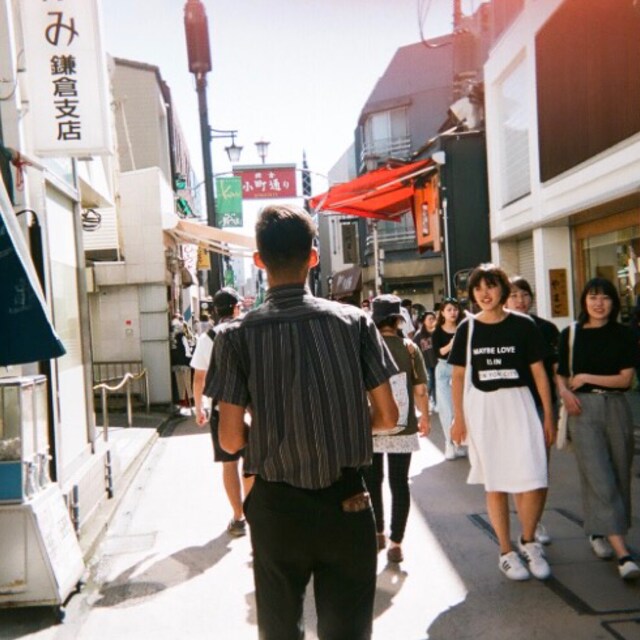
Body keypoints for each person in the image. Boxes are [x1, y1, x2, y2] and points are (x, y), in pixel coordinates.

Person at [209, 204, 399, 640]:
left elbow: (231, 438)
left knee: (279, 630)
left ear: (259, 260)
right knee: (348, 631)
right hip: (347, 501)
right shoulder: (355, 323)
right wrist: (343, 428)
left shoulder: (235, 336)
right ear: (313, 256)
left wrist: (277, 433)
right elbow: (389, 416)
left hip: (276, 507)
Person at [450, 264, 555, 582]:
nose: (485, 293)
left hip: (519, 403)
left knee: (533, 477)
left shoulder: (523, 325)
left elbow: (539, 372)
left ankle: (529, 540)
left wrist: (549, 415)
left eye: (491, 286)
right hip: (484, 407)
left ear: (503, 289)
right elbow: (458, 376)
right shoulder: (467, 328)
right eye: (478, 288)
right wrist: (458, 418)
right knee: (494, 482)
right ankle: (506, 553)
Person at [556, 277, 639, 580]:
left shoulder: (624, 334)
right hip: (582, 410)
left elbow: (625, 379)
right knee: (599, 476)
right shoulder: (571, 334)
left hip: (616, 407)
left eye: (605, 297)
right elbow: (561, 374)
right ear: (584, 301)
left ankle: (599, 531)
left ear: (614, 302)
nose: (598, 303)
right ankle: (623, 554)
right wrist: (565, 393)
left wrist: (588, 377)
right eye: (592, 297)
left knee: (618, 473)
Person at [364, 295, 430, 564]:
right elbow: (420, 390)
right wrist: (425, 417)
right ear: (397, 320)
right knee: (399, 483)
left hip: (371, 424)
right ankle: (396, 543)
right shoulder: (410, 348)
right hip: (403, 425)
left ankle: (377, 532)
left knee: (372, 482)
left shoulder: (365, 348)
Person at [191, 287, 252, 537]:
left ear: (215, 311)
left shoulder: (208, 338)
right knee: (252, 463)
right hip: (253, 407)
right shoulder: (249, 331)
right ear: (236, 308)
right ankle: (253, 511)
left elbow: (199, 378)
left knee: (229, 463)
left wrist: (199, 408)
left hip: (222, 407)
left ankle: (238, 517)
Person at [506, 276, 560, 545]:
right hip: (511, 408)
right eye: (514, 295)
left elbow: (555, 370)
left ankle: (535, 521)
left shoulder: (546, 329)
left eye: (525, 294)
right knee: (519, 469)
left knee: (540, 469)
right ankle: (527, 524)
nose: (520, 300)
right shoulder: (499, 328)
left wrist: (555, 408)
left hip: (540, 405)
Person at [432, 297, 464, 460]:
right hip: (444, 369)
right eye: (449, 309)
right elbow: (438, 353)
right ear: (442, 313)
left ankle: (459, 442)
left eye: (455, 309)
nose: (453, 312)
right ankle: (449, 443)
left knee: (462, 409)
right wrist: (452, 344)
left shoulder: (463, 328)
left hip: (462, 369)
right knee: (447, 410)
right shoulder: (437, 332)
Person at [413, 311, 438, 411]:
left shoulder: (438, 332)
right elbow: (414, 350)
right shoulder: (419, 335)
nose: (432, 321)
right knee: (429, 383)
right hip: (426, 363)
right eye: (429, 319)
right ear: (424, 321)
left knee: (437, 384)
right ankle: (424, 403)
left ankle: (436, 403)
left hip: (437, 362)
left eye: (433, 318)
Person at [170, 319, 194, 413]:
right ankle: (190, 400)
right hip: (185, 362)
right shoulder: (184, 335)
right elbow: (188, 349)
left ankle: (182, 400)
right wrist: (190, 359)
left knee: (179, 382)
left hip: (175, 362)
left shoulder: (171, 336)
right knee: (187, 382)